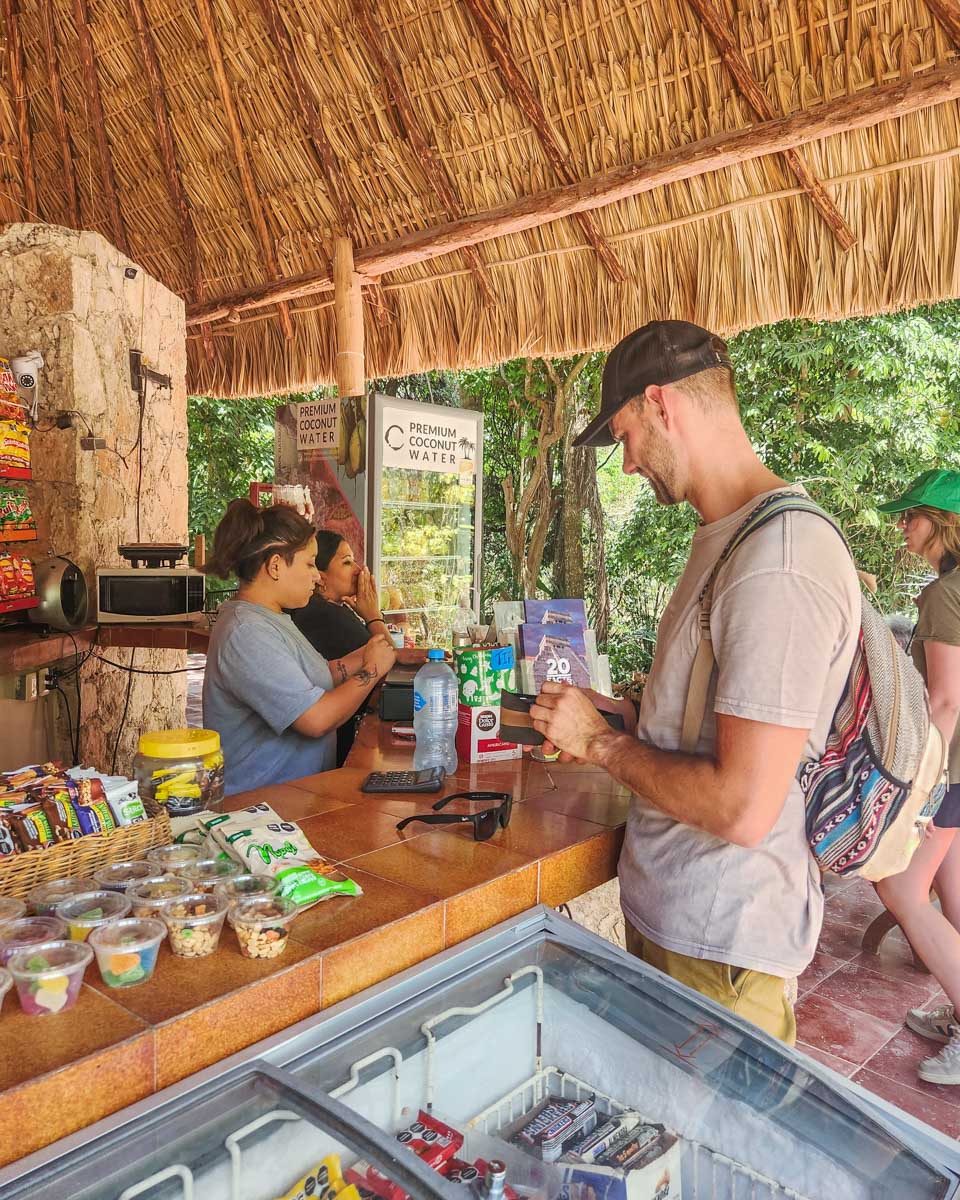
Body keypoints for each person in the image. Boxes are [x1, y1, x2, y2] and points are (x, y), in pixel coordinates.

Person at [529, 320, 861, 1044]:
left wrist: (600, 746)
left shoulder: (779, 559)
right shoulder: (728, 536)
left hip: (722, 952)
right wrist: (612, 714)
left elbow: (742, 806)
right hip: (682, 929)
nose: (626, 466)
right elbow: (695, 723)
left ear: (662, 406)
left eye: (624, 438)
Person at [201, 500, 396, 794]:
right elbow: (315, 719)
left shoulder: (273, 616)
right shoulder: (246, 632)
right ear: (275, 566)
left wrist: (368, 651)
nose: (317, 576)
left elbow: (317, 675)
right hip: (263, 811)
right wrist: (371, 670)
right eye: (309, 564)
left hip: (297, 800)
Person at [874, 470, 960, 1084]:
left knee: (900, 890)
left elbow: (945, 700)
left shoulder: (944, 595)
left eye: (911, 515)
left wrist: (920, 785)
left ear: (941, 520)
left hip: (949, 769)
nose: (902, 525)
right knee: (952, 891)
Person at [291, 531, 389, 765]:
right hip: (340, 743)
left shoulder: (335, 608)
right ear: (320, 576)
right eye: (346, 562)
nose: (358, 569)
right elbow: (387, 656)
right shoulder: (322, 614)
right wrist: (373, 615)